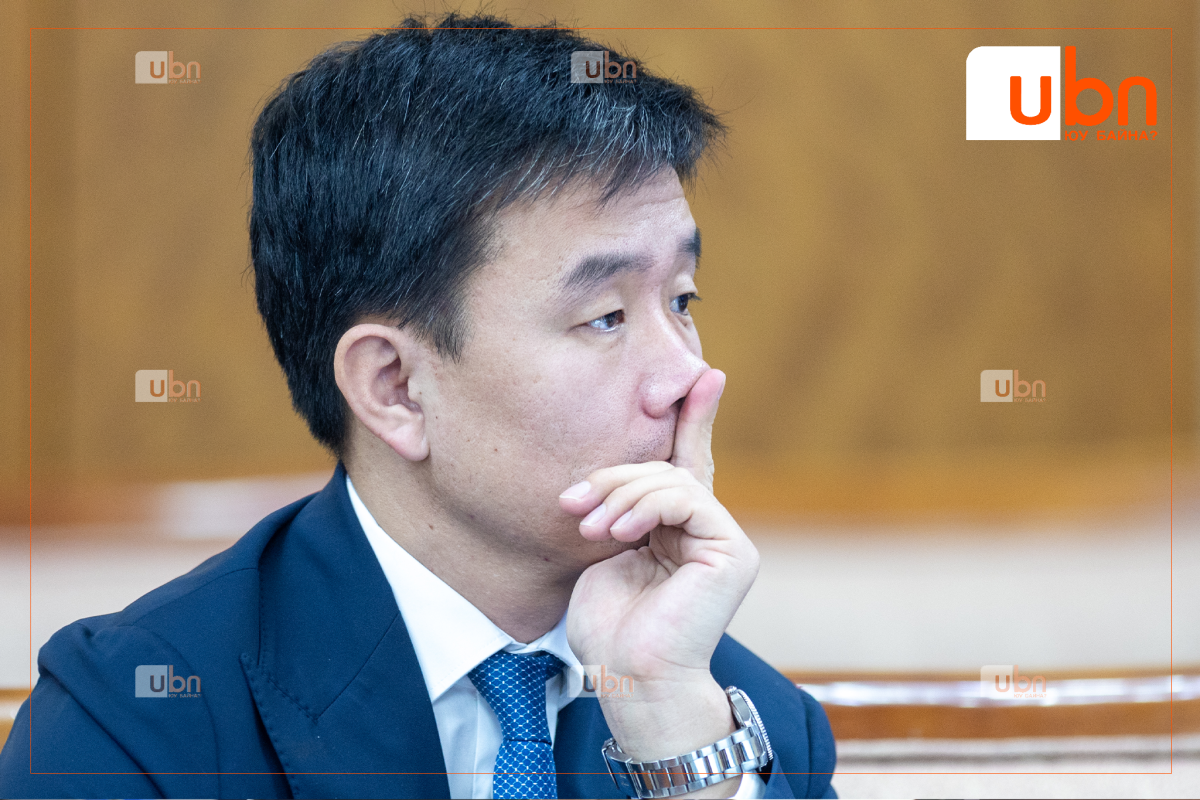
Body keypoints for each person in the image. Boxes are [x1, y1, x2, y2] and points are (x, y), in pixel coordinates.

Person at [0, 13, 836, 799]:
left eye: (682, 300)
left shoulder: (740, 718)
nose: (687, 376)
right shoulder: (136, 723)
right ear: (394, 387)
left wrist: (672, 732)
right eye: (605, 316)